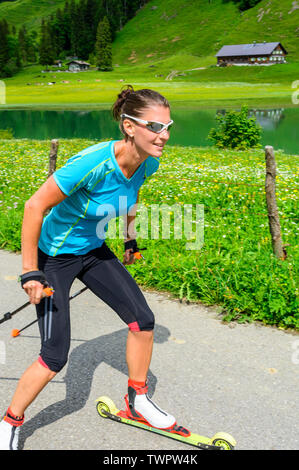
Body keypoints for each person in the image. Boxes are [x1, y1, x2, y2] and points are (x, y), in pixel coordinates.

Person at [0, 85, 183, 450]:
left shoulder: (149, 162)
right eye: (155, 126)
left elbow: (132, 198)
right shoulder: (93, 163)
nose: (163, 135)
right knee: (55, 355)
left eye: (168, 126)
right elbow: (34, 207)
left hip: (92, 249)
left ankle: (137, 401)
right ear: (129, 126)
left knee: (142, 322)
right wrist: (30, 272)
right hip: (54, 256)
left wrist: (130, 239)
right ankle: (9, 422)